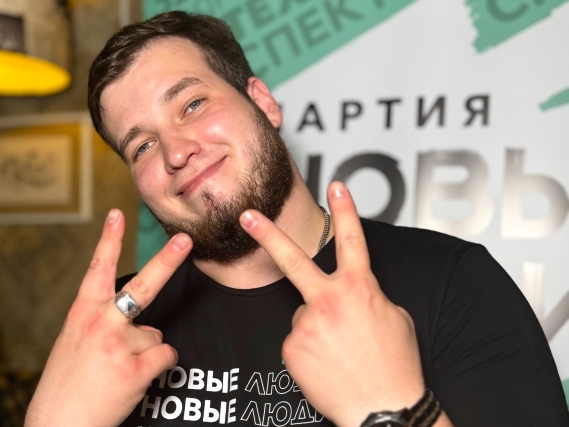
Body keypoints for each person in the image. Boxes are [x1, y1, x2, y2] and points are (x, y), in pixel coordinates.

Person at [25, 11, 568, 427]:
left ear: (262, 102)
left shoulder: (449, 280)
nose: (175, 151)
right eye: (141, 145)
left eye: (191, 105)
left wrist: (394, 409)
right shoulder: (111, 332)